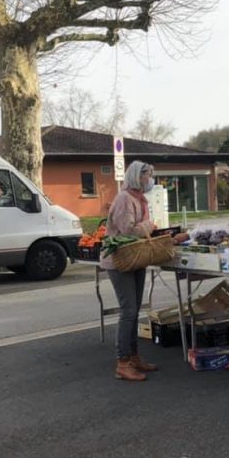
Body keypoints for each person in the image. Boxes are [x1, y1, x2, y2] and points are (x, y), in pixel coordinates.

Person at [100, 160, 158, 382]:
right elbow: (128, 230)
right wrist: (149, 226)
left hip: (135, 259)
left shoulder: (138, 198)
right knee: (129, 311)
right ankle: (122, 362)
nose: (150, 180)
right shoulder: (125, 199)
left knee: (134, 311)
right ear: (137, 176)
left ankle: (133, 357)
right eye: (148, 175)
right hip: (120, 261)